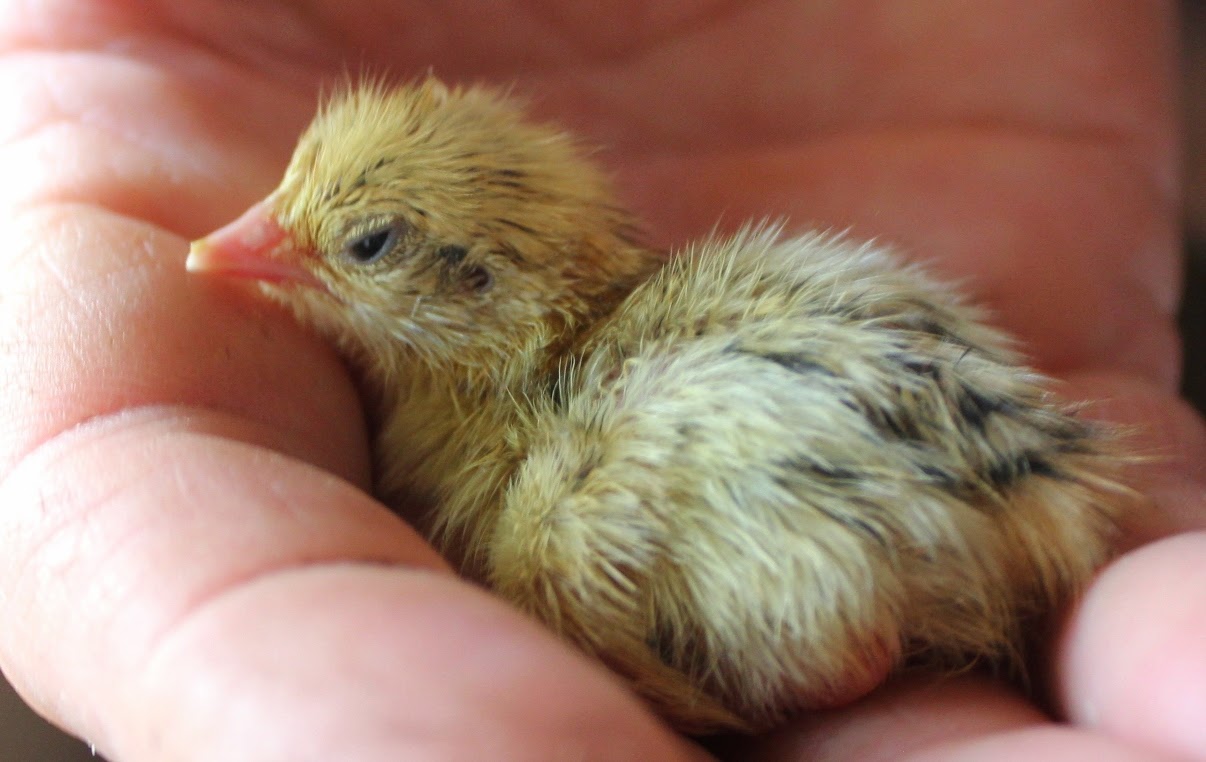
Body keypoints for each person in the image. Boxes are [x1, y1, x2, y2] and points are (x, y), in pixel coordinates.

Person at [0, 3, 1199, 760]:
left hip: (839, 541)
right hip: (1015, 471)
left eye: (363, 246)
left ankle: (843, 620)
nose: (247, 239)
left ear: (482, 293)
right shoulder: (701, 296)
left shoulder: (541, 485)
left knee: (578, 547)